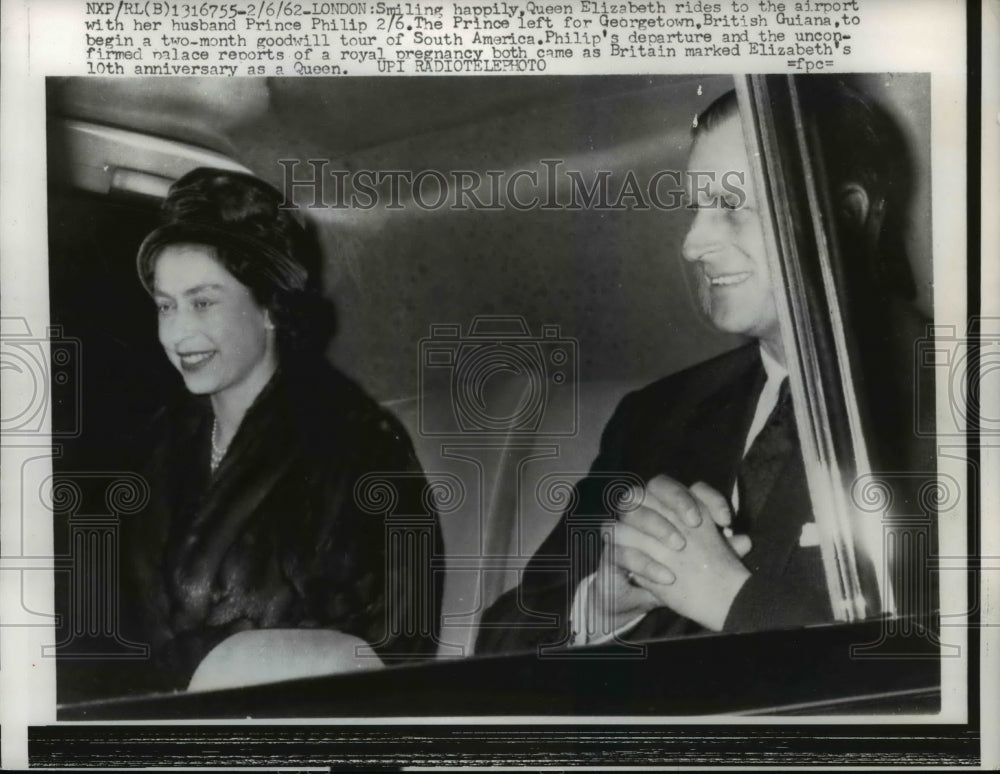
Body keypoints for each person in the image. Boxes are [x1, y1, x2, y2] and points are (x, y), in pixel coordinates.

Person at [476, 80, 932, 655]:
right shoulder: (654, 417)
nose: (692, 243)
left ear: (844, 217)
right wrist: (601, 603)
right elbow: (496, 641)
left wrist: (732, 599)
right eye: (697, 207)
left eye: (733, 206)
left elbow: (962, 679)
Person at [83, 168, 442, 698]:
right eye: (166, 306)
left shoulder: (356, 444)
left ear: (269, 308)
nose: (179, 332)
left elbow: (393, 647)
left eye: (203, 302)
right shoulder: (157, 442)